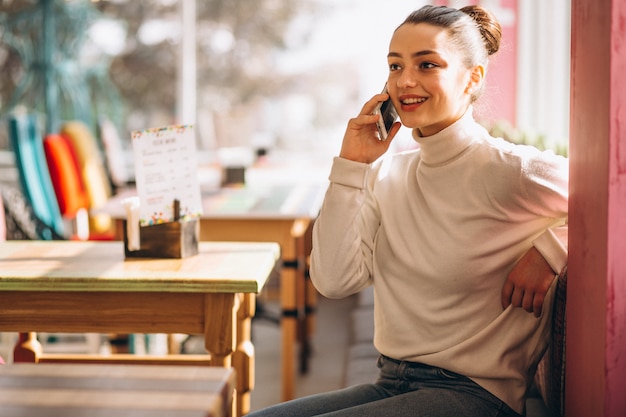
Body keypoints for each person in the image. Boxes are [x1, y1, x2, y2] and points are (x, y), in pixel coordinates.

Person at [246, 4, 568, 417]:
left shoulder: (512, 171)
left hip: (477, 396)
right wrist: (353, 166)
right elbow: (334, 280)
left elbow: (615, 199)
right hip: (392, 381)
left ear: (474, 77)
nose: (406, 81)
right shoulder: (388, 174)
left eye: (427, 64)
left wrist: (553, 246)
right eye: (395, 66)